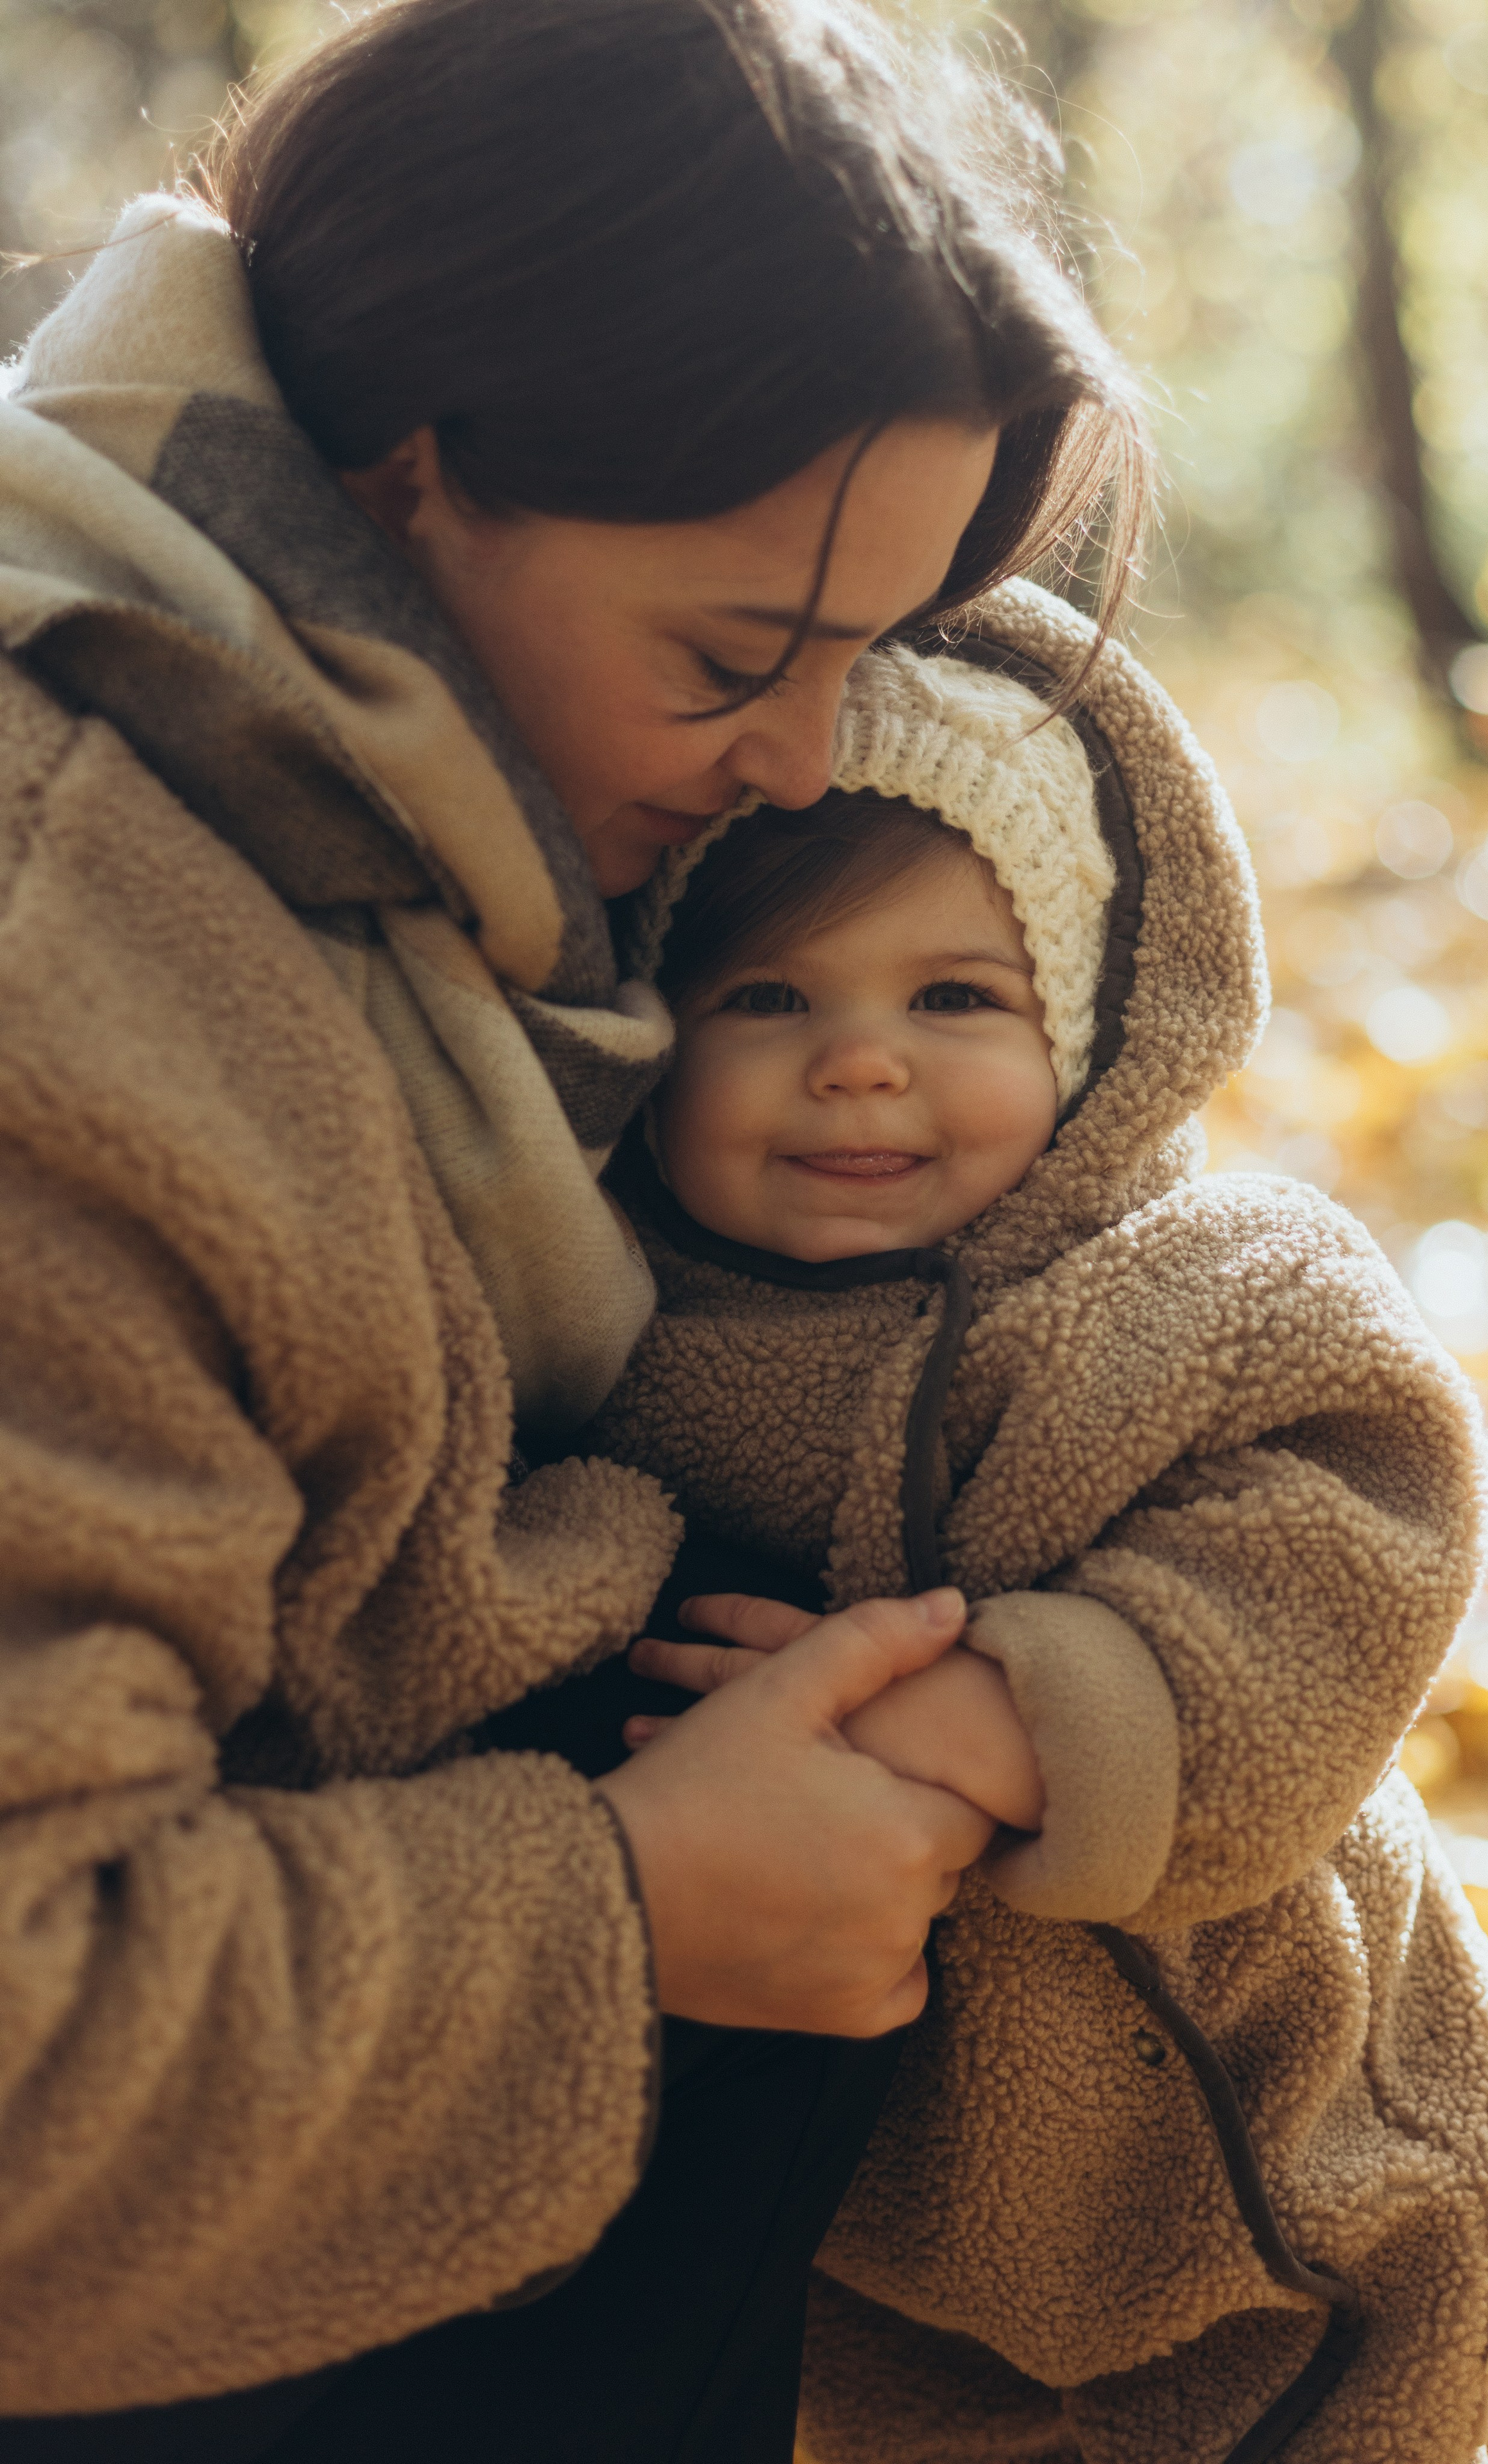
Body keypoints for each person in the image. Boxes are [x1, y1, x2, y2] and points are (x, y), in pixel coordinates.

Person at [0, 0, 1152, 2456]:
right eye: (739, 656)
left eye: (873, 658)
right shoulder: (68, 967)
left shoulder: (390, 865)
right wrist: (629, 1913)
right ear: (407, 483)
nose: (811, 761)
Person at [577, 617, 1488, 2463]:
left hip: (1270, 2159)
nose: (862, 1065)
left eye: (953, 1001)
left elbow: (1352, 1531)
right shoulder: (614, 1346)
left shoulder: (1189, 1291)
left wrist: (996, 1718)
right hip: (875, 2207)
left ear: (1087, 1030)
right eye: (769, 999)